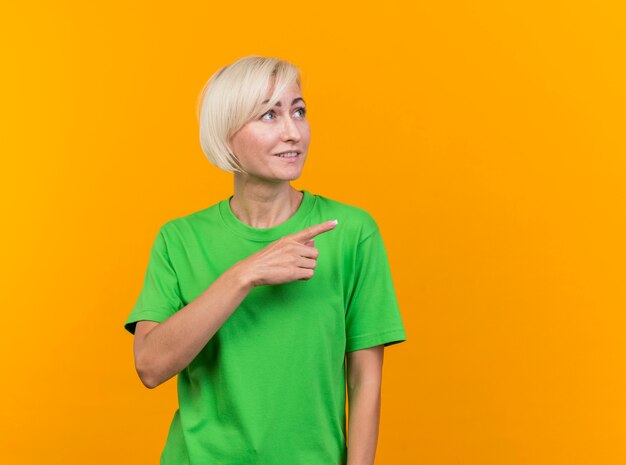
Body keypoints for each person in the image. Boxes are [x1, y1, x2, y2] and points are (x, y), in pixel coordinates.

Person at [124, 55, 407, 465]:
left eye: (298, 111)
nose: (292, 132)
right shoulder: (179, 240)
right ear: (226, 134)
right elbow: (150, 366)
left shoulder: (350, 232)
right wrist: (246, 274)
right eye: (269, 115)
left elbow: (365, 380)